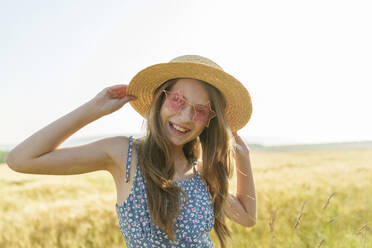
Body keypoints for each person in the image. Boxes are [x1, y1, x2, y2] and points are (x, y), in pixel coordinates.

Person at [6, 55, 257, 248]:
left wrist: (243, 159)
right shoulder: (125, 155)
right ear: (160, 99)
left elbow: (247, 217)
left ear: (208, 121)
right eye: (177, 100)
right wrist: (93, 109)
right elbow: (20, 159)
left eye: (200, 110)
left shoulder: (202, 174)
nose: (186, 116)